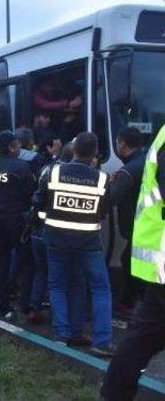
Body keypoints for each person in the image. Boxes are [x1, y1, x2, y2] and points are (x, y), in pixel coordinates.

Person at [32, 132, 113, 356]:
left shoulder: (53, 172)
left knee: (57, 285)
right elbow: (103, 211)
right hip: (87, 243)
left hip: (56, 239)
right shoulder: (102, 179)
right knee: (97, 288)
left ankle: (61, 334)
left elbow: (38, 201)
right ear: (95, 153)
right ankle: (101, 341)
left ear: (75, 150)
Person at [102, 125, 165, 400]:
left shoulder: (136, 163)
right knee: (143, 336)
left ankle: (113, 394)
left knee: (143, 336)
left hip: (155, 254)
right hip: (160, 256)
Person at [0, 130, 36, 320]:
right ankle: (25, 304)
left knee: (0, 264)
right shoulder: (20, 167)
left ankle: (2, 306)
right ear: (12, 147)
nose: (20, 148)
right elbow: (31, 192)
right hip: (16, 221)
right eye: (18, 145)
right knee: (27, 263)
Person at [27, 143, 74, 324]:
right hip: (56, 233)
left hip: (38, 230)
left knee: (41, 271)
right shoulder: (70, 175)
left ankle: (35, 308)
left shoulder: (47, 170)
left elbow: (36, 198)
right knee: (59, 277)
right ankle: (61, 318)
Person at [109, 127, 146, 317]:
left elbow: (111, 199)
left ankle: (130, 304)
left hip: (138, 225)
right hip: (149, 224)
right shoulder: (148, 159)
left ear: (122, 144)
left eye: (116, 141)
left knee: (132, 263)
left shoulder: (128, 171)